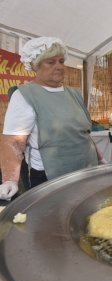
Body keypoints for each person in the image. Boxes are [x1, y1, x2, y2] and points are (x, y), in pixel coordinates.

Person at [0, 37, 101, 201]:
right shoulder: (25, 96)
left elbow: (83, 133)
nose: (59, 66)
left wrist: (100, 157)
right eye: (51, 62)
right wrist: (10, 179)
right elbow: (14, 141)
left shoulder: (73, 94)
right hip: (50, 177)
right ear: (35, 65)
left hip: (86, 171)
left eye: (61, 61)